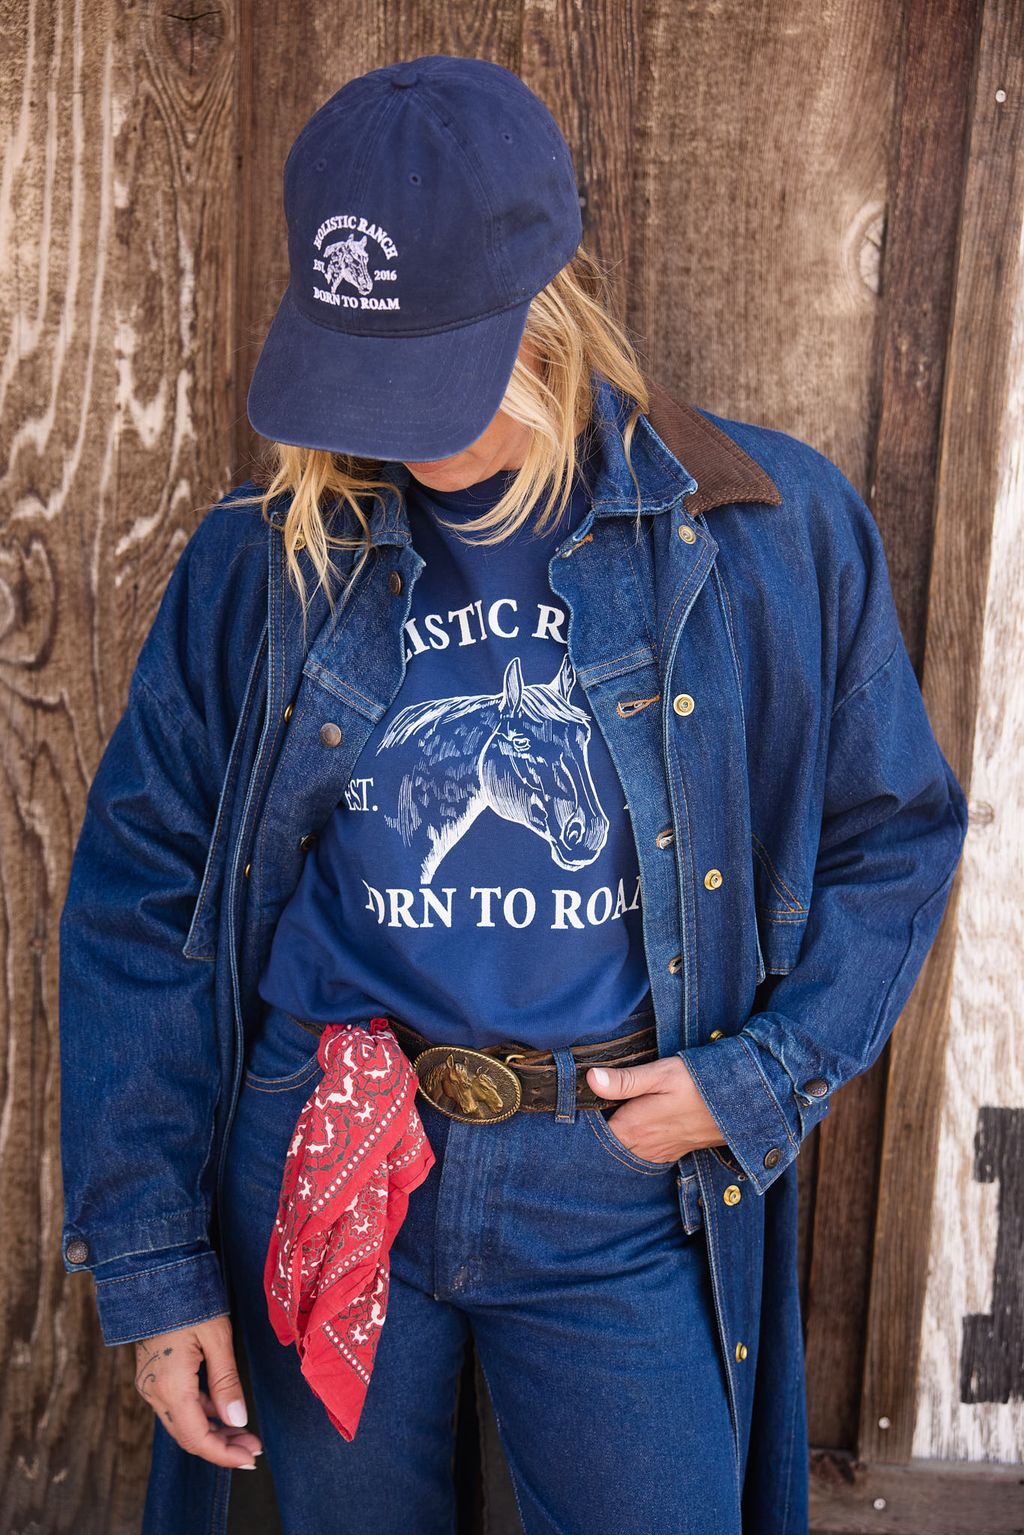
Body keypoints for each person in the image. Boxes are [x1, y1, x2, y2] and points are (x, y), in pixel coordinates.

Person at [58, 53, 969, 1535]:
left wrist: (756, 1080)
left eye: (425, 376)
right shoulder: (266, 558)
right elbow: (141, 896)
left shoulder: (762, 534)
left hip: (614, 1175)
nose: (387, 431)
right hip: (330, 1147)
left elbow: (897, 837)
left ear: (546, 311)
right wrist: (159, 1268)